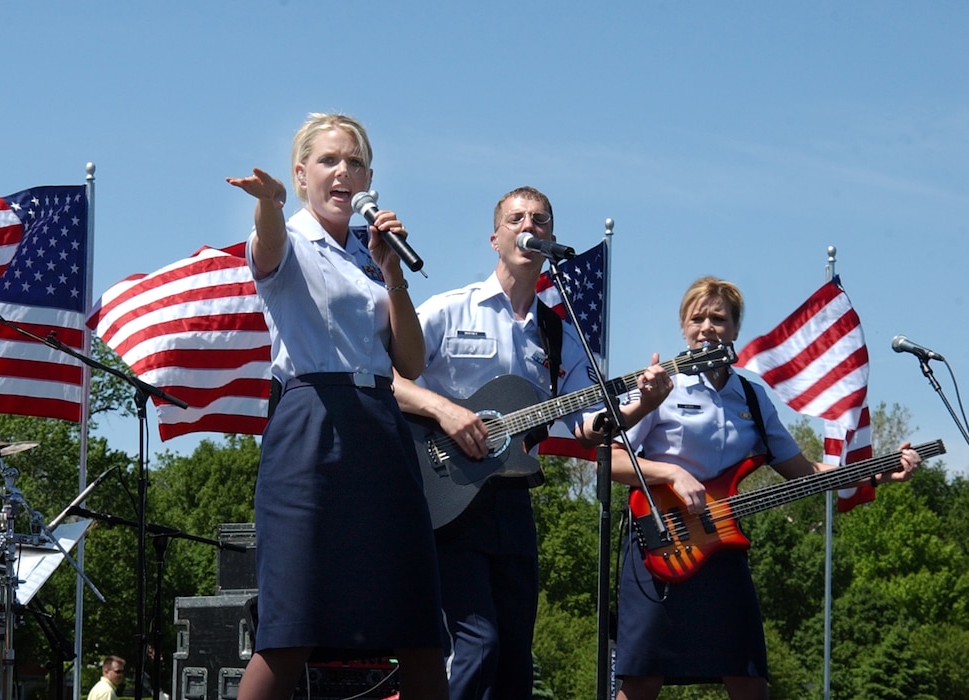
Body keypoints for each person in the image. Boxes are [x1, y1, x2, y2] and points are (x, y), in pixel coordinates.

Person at [392, 185, 671, 699]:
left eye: (540, 219)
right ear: (494, 237)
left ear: (552, 238)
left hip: (513, 501)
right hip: (446, 495)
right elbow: (388, 378)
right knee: (477, 643)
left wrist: (645, 404)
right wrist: (447, 412)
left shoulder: (558, 333)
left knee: (516, 656)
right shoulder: (449, 310)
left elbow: (589, 427)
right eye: (517, 217)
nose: (529, 226)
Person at [610, 275, 923, 700]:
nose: (706, 327)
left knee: (748, 675)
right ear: (682, 326)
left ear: (736, 330)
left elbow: (803, 472)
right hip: (658, 541)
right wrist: (671, 474)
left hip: (721, 543)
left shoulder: (753, 399)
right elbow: (609, 457)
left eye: (718, 319)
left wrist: (877, 472)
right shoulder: (660, 385)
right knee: (642, 676)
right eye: (696, 318)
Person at [227, 112, 447, 700]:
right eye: (329, 160)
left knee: (421, 630)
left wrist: (391, 270)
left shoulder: (370, 251)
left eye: (355, 162)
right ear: (301, 175)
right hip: (312, 426)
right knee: (291, 629)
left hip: (382, 429)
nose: (343, 171)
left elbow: (412, 362)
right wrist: (269, 203)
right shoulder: (289, 238)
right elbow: (267, 242)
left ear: (370, 176)